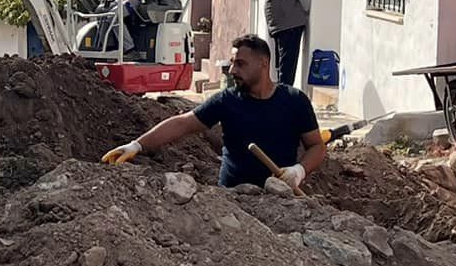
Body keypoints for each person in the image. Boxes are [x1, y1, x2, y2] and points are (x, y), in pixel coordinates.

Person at [103, 33, 326, 190]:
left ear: (263, 64)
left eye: (240, 64)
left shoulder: (294, 101)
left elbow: (316, 146)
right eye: (232, 63)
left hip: (277, 200)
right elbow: (183, 123)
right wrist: (137, 145)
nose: (232, 70)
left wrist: (299, 170)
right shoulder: (228, 100)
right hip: (232, 199)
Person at [259, 0, 311, 87]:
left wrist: (297, 14)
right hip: (282, 28)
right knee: (281, 63)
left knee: (287, 63)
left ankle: (284, 93)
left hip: (290, 27)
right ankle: (282, 90)